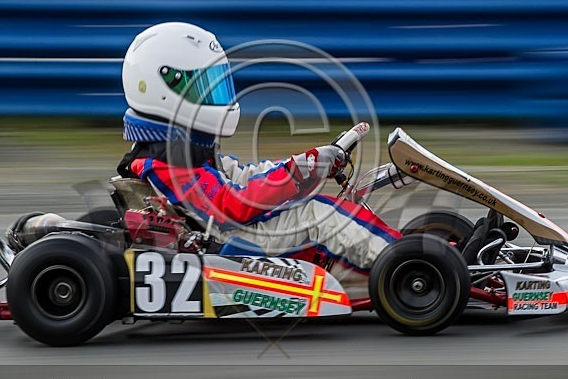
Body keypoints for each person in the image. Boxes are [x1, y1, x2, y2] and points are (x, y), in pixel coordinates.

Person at [117, 22, 401, 298]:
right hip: (228, 244)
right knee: (318, 215)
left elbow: (243, 178)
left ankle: (399, 253)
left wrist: (306, 166)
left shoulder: (181, 149)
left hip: (232, 231)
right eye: (203, 86)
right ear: (164, 89)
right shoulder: (166, 162)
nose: (216, 96)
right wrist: (297, 172)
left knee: (331, 206)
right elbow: (231, 205)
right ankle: (403, 264)